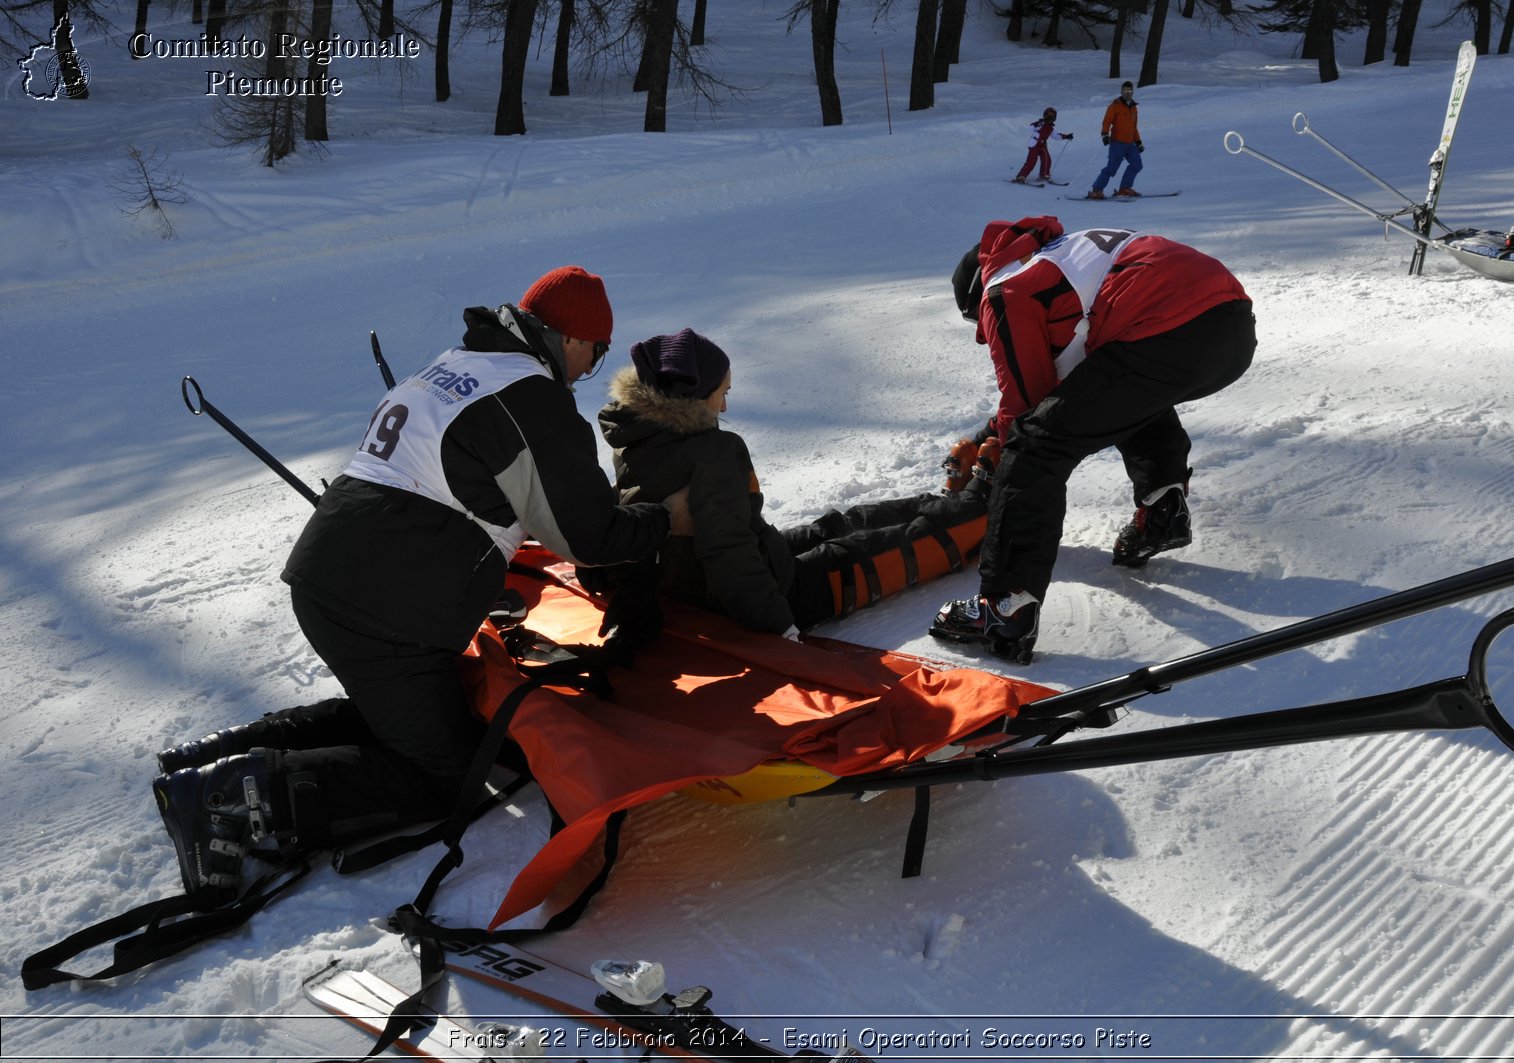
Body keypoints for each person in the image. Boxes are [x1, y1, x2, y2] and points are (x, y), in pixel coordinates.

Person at [151, 266, 687, 902]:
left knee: (409, 715)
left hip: (337, 575)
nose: (586, 371)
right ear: (572, 340)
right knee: (445, 772)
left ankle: (222, 754)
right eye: (595, 356)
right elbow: (590, 535)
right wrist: (665, 521)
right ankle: (232, 797)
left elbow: (474, 487)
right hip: (384, 609)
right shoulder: (534, 401)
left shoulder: (458, 364)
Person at [931, 216, 1255, 664]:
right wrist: (990, 433)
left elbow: (1028, 404)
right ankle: (1162, 510)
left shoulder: (1002, 288)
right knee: (1120, 391)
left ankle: (1004, 607)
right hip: (1230, 325)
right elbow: (1077, 389)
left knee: (1034, 447)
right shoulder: (1053, 255)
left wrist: (999, 466)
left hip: (1166, 329)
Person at [591, 328, 991, 639]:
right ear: (694, 397)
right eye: (722, 393)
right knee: (864, 552)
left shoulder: (636, 436)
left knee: (837, 524)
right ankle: (981, 514)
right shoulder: (713, 452)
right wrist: (778, 625)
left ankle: (944, 505)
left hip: (704, 578)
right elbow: (727, 551)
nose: (725, 406)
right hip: (771, 593)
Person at [1087, 81, 1143, 200]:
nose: (1128, 93)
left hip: (1130, 144)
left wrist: (1138, 142)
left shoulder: (1134, 108)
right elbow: (1107, 122)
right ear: (1121, 92)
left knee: (1137, 164)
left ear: (1133, 92)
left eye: (1130, 91)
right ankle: (1097, 190)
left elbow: (1134, 127)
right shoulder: (1114, 107)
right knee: (1111, 169)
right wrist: (1105, 134)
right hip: (1117, 143)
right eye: (1125, 91)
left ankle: (1125, 189)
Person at [1013, 107, 1074, 185]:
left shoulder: (1051, 128)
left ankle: (1044, 175)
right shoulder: (1041, 124)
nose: (1050, 117)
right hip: (1035, 144)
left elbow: (1056, 135)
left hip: (1043, 145)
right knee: (1031, 161)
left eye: (1052, 116)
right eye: (1049, 115)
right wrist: (1037, 124)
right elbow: (1031, 127)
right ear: (1045, 115)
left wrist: (1066, 136)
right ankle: (1021, 176)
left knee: (1047, 159)